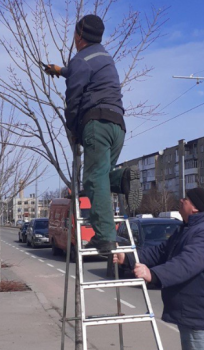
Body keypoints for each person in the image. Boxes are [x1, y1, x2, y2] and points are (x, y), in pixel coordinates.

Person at [43, 14, 141, 253]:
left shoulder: (80, 60)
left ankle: (105, 237)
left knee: (93, 179)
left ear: (78, 36)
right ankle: (123, 178)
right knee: (102, 177)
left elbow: (73, 100)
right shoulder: (105, 57)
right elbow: (85, 72)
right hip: (117, 125)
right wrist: (62, 70)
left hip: (96, 124)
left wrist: (74, 129)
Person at [113, 188, 204, 350]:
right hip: (191, 314)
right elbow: (160, 251)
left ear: (195, 208)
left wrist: (154, 274)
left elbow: (187, 263)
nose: (181, 200)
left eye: (186, 199)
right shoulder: (186, 229)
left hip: (198, 317)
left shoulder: (200, 232)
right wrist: (127, 258)